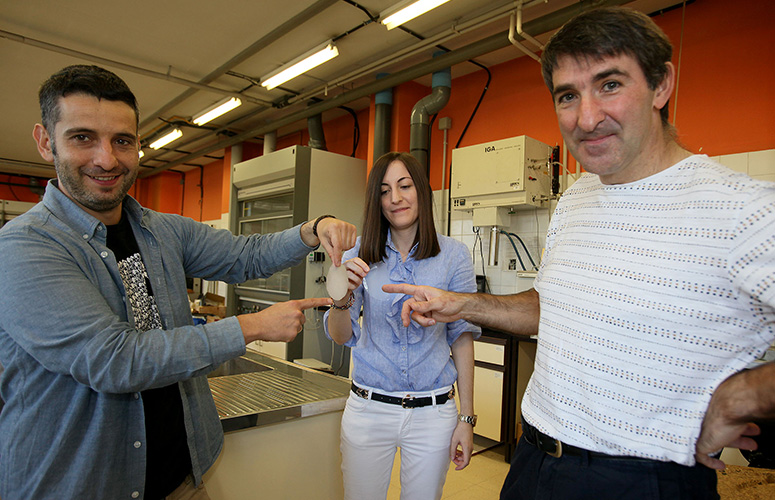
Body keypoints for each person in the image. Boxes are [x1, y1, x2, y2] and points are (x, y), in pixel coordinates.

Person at [383, 7, 775, 500]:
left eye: (610, 84)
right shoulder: (577, 197)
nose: (586, 118)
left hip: (642, 480)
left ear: (661, 85)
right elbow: (552, 308)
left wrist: (745, 395)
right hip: (535, 462)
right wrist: (461, 304)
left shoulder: (744, 210)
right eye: (568, 95)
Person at [0, 64, 357, 500]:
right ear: (44, 141)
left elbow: (244, 256)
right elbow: (116, 360)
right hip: (80, 484)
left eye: (122, 141)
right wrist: (251, 327)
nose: (106, 159)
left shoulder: (162, 230)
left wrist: (311, 229)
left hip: (182, 476)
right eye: (82, 137)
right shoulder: (24, 247)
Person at [323, 152, 480, 500]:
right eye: (384, 191)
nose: (395, 198)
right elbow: (340, 335)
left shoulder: (453, 256)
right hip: (369, 411)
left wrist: (466, 419)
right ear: (375, 202)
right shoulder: (358, 254)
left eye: (405, 186)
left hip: (433, 414)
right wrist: (340, 295)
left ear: (421, 190)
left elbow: (462, 337)